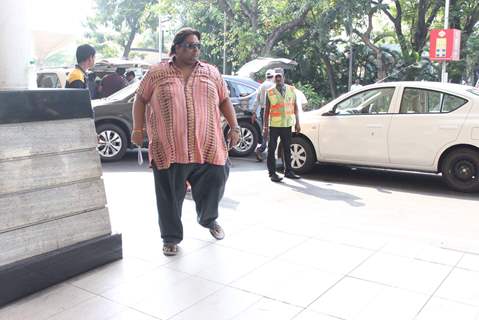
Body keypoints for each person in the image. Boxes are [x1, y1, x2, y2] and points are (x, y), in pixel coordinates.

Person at [131, 27, 241, 256]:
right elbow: (140, 99)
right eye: (190, 45)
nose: (195, 50)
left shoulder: (211, 72)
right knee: (169, 195)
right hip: (169, 147)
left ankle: (208, 218)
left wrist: (235, 127)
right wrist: (137, 128)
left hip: (208, 145)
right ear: (177, 47)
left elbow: (224, 100)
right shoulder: (157, 73)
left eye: (197, 45)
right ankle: (170, 238)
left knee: (217, 179)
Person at [264, 68, 301, 182]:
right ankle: (272, 173)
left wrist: (297, 123)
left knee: (287, 149)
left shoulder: (291, 90)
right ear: (274, 78)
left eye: (280, 76)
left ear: (283, 77)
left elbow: (295, 107)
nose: (278, 78)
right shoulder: (269, 92)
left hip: (287, 125)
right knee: (271, 149)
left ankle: (288, 171)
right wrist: (265, 127)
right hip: (274, 125)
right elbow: (266, 110)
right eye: (276, 77)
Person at [251, 69, 275, 161]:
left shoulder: (262, 86)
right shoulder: (273, 86)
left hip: (263, 110)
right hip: (273, 111)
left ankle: (262, 149)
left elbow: (256, 100)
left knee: (265, 131)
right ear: (272, 77)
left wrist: (253, 112)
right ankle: (266, 150)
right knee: (272, 132)